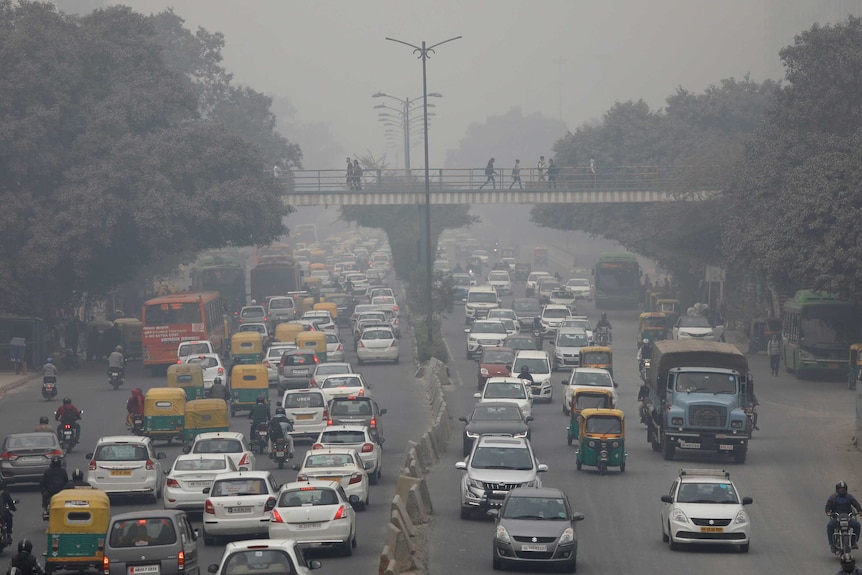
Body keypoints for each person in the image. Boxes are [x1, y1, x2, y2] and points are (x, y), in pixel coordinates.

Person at [826, 481, 862, 551]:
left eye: (844, 489)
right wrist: (827, 511)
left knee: (857, 525)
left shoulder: (849, 497)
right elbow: (828, 506)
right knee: (830, 526)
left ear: (846, 489)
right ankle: (832, 544)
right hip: (837, 518)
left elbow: (856, 504)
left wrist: (860, 511)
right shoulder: (832, 498)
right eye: (840, 489)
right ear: (837, 489)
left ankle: (853, 542)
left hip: (848, 518)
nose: (842, 490)